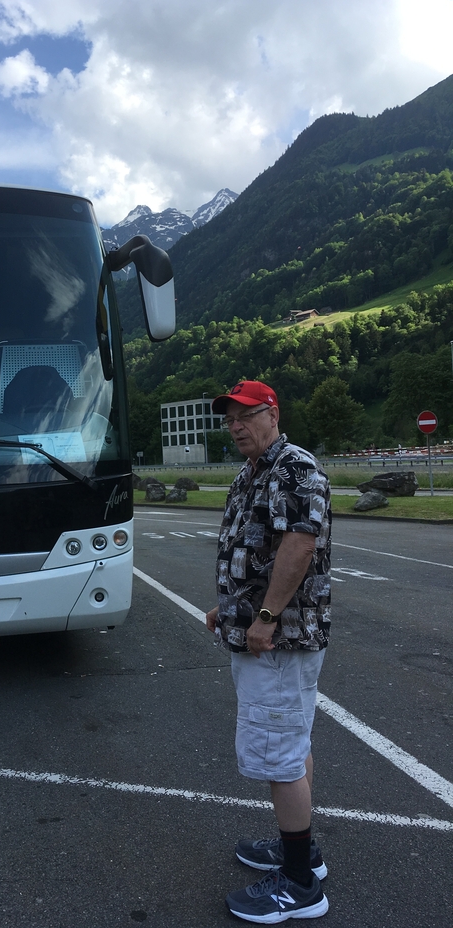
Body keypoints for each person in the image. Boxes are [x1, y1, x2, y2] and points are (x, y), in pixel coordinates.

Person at [206, 380, 332, 923]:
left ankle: (301, 886)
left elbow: (299, 545)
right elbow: (249, 549)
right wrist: (228, 607)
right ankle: (300, 850)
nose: (236, 426)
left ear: (272, 413)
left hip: (278, 639)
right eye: (230, 418)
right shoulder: (252, 472)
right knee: (291, 742)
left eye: (246, 415)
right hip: (259, 630)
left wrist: (263, 617)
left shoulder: (295, 468)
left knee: (278, 754)